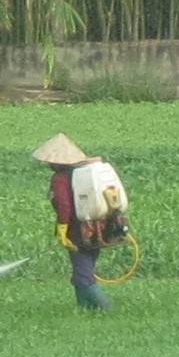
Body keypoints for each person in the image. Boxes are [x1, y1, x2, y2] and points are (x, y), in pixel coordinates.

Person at [32, 133, 129, 311]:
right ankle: (84, 309)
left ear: (57, 162)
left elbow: (64, 206)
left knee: (82, 275)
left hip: (78, 230)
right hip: (99, 228)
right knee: (84, 269)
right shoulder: (84, 173)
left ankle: (105, 308)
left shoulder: (60, 179)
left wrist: (62, 229)